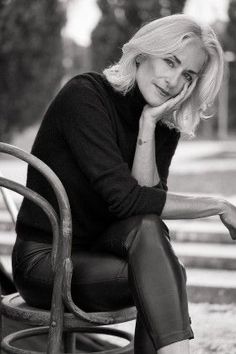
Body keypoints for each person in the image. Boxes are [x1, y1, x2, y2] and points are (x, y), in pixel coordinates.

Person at [12, 14, 235, 354]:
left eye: (187, 74)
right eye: (170, 62)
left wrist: (148, 123)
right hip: (47, 261)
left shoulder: (162, 122)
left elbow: (146, 209)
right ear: (144, 52)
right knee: (162, 275)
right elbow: (126, 201)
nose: (174, 80)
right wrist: (218, 205)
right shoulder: (84, 96)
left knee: (152, 245)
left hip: (103, 254)